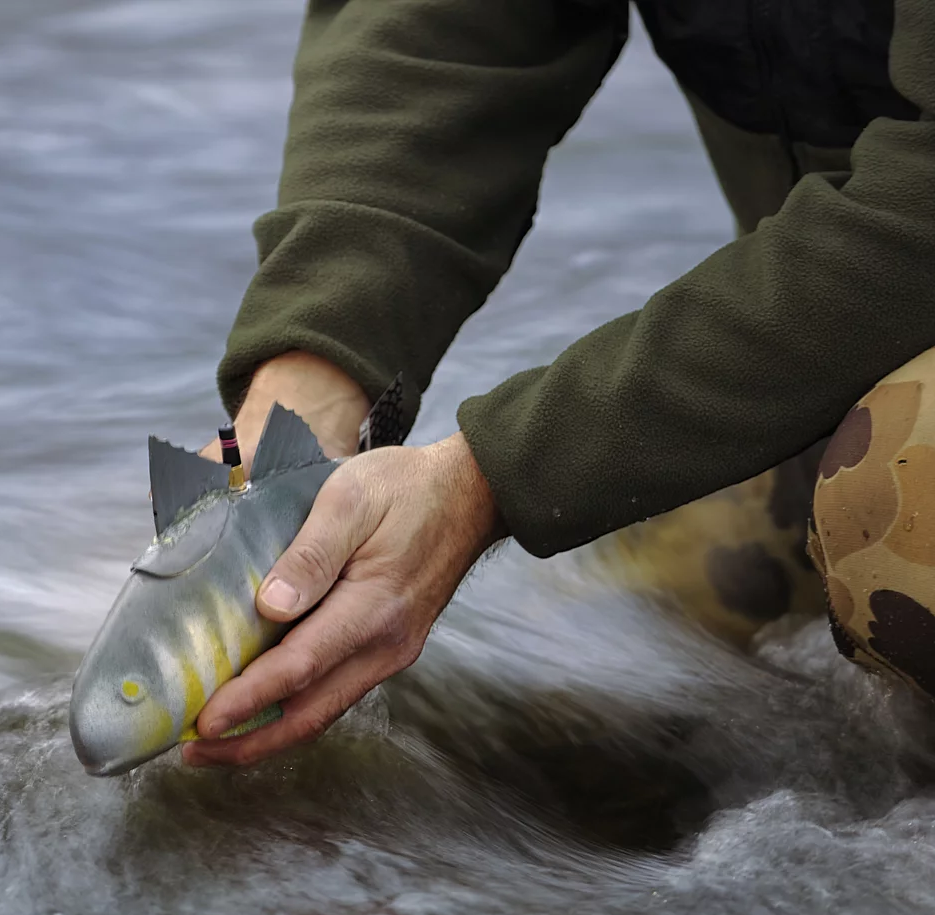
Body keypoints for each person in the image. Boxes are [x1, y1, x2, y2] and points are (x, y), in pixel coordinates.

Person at [183, 0, 935, 769]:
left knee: (896, 526)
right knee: (596, 707)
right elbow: (442, 34)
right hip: (830, 367)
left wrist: (486, 481)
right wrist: (310, 386)